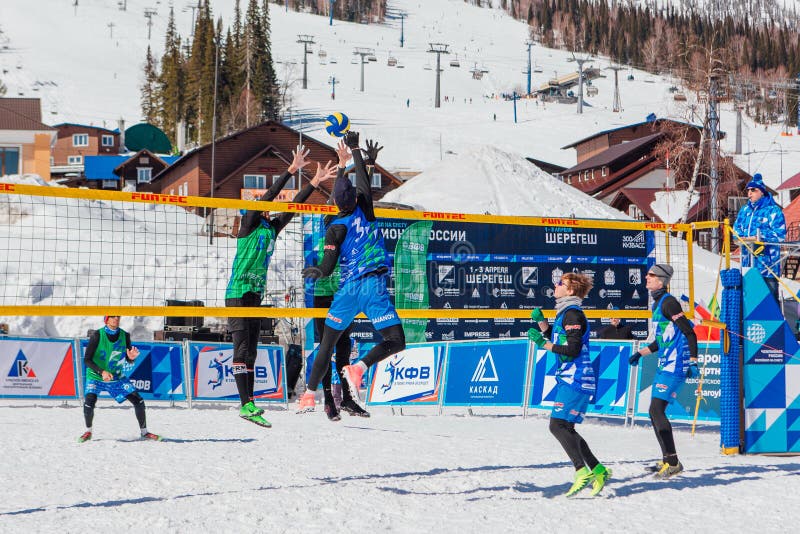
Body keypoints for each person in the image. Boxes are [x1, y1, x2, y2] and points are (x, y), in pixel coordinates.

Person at [226, 146, 336, 427]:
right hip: (238, 294)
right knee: (241, 351)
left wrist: (313, 182)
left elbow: (293, 206)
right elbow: (270, 196)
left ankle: (249, 404)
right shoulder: (249, 224)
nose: (264, 206)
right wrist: (290, 170)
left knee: (251, 352)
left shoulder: (270, 228)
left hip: (254, 295)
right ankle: (244, 403)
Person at [299, 131, 406, 413]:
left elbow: (327, 267)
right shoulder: (366, 208)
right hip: (372, 287)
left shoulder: (334, 227)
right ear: (356, 198)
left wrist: (314, 271)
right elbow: (362, 181)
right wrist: (357, 152)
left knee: (327, 345)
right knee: (395, 341)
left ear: (335, 204)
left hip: (347, 290)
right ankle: (359, 368)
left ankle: (308, 395)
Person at [527, 272, 610, 497]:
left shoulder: (572, 314)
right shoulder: (566, 312)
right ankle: (599, 470)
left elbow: (572, 349)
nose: (556, 285)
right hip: (573, 377)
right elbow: (560, 338)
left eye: (561, 283)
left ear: (571, 291)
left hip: (576, 378)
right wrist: (543, 324)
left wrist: (543, 345)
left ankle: (581, 471)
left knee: (557, 426)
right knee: (567, 429)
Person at [309, 139, 371, 421]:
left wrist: (358, 165)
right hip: (325, 291)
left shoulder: (349, 219)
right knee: (326, 348)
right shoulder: (331, 223)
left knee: (344, 348)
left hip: (343, 292)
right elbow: (344, 193)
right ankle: (328, 402)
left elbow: (352, 194)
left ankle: (345, 399)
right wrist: (344, 166)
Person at [628, 264, 699, 479]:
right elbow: (662, 341)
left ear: (662, 280)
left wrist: (693, 362)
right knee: (653, 411)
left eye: (651, 275)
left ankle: (673, 461)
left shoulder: (669, 303)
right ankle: (667, 459)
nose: (646, 278)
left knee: (657, 411)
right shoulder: (658, 303)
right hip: (665, 363)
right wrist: (641, 353)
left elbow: (690, 333)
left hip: (675, 365)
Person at [80, 315, 160, 442]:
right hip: (96, 374)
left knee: (138, 401)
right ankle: (88, 431)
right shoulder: (97, 335)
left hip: (115, 375)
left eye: (118, 316)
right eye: (112, 316)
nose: (116, 318)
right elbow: (87, 360)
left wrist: (131, 358)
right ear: (106, 319)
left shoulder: (125, 335)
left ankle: (144, 432)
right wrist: (102, 372)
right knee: (89, 403)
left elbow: (128, 358)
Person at [733, 173, 786, 303]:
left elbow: (780, 234)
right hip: (748, 265)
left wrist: (759, 237)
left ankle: (773, 322)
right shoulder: (745, 211)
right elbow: (736, 229)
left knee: (770, 303)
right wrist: (742, 237)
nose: (749, 193)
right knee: (750, 304)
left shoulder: (773, 211)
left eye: (753, 190)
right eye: (748, 190)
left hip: (768, 266)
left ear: (762, 192)